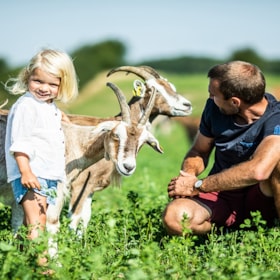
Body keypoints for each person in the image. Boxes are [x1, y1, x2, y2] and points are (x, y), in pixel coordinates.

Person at [163, 60, 280, 235]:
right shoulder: (214, 108)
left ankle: (273, 230)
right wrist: (188, 176)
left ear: (234, 102)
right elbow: (198, 151)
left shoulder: (276, 117)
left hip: (262, 196)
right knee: (174, 218)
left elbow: (259, 171)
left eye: (213, 94)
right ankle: (224, 230)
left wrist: (198, 185)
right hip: (221, 194)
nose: (210, 98)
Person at [5, 49, 78, 261]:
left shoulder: (46, 107)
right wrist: (25, 171)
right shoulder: (27, 106)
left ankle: (21, 261)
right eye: (38, 81)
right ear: (28, 77)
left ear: (62, 85)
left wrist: (58, 116)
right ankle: (42, 265)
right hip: (32, 174)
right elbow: (20, 142)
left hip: (46, 175)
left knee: (37, 221)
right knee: (37, 222)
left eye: (52, 84)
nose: (44, 89)